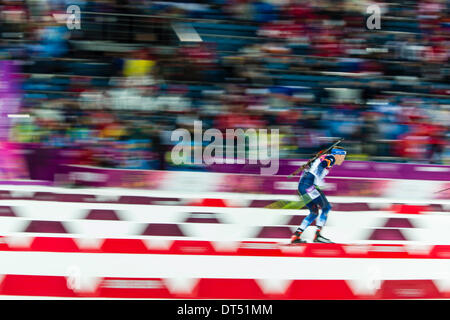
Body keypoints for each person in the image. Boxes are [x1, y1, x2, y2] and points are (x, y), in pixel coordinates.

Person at [290, 147, 347, 244]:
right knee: (326, 207)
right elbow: (322, 165)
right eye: (343, 157)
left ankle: (296, 236)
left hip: (302, 187)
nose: (343, 159)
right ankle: (318, 236)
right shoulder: (331, 158)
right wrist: (320, 181)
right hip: (310, 186)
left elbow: (311, 167)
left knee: (314, 212)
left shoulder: (322, 157)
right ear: (338, 155)